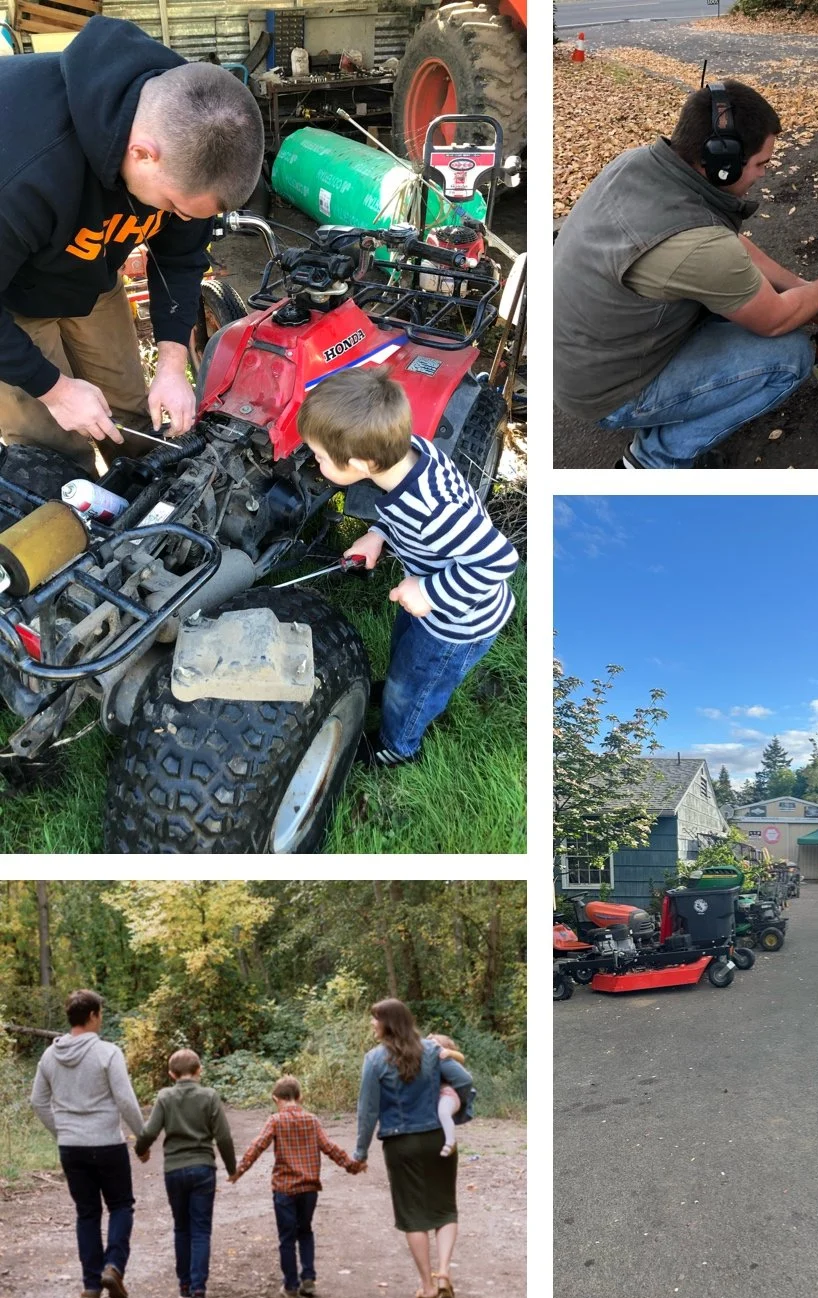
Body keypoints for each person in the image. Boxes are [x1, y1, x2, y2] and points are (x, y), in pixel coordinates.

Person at [0, 15, 264, 475]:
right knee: (54, 441)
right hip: (11, 294)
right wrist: (54, 389)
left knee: (129, 408)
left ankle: (152, 501)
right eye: (174, 207)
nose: (178, 220)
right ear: (142, 153)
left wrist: (171, 364)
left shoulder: (189, 128)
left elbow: (180, 258)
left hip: (92, 275)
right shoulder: (23, 169)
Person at [554, 80, 818, 469]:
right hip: (609, 392)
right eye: (761, 164)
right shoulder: (697, 245)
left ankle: (668, 415)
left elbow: (726, 247)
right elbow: (774, 320)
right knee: (789, 356)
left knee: (750, 295)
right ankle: (654, 460)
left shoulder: (641, 166)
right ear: (721, 163)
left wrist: (802, 289)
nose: (763, 174)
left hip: (582, 356)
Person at [296, 366, 519, 768]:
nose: (316, 463)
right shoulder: (409, 453)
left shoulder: (433, 510)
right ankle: (400, 687)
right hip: (431, 602)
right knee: (404, 653)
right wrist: (378, 534)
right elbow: (399, 513)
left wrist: (428, 592)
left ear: (362, 462)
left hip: (458, 622)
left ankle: (398, 747)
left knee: (416, 685)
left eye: (321, 457)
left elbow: (499, 560)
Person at [353, 999, 476, 1298]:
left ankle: (427, 1286)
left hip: (400, 1144)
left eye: (375, 1019)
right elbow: (464, 1080)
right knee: (445, 1208)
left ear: (388, 1024)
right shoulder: (433, 1050)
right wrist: (456, 1114)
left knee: (413, 1216)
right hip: (437, 1138)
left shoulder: (374, 1060)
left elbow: (368, 1112)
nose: (372, 1024)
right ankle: (445, 1273)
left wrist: (360, 1152)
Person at [29, 989, 145, 1298]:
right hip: (107, 1143)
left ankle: (92, 1285)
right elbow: (125, 1099)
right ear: (92, 1015)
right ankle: (114, 1266)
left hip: (71, 1147)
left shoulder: (49, 1057)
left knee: (87, 1213)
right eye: (100, 1014)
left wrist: (62, 1131)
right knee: (121, 1205)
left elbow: (37, 1101)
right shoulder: (108, 1053)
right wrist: (143, 1137)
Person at [230, 1075, 362, 1298]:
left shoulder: (275, 1120)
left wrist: (238, 1170)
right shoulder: (312, 1120)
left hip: (284, 1189)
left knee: (287, 1237)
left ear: (275, 1099)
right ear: (300, 1097)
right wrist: (351, 1165)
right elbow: (329, 1147)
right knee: (306, 1230)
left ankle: (291, 1284)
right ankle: (308, 1276)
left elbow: (257, 1146)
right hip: (309, 1189)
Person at [133, 1048, 237, 1298]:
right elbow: (223, 1137)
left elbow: (150, 1131)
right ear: (199, 1070)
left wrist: (141, 1150)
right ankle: (199, 1294)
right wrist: (231, 1168)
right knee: (201, 1229)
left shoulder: (165, 1096)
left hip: (174, 1171)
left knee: (182, 1228)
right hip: (203, 1168)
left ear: (171, 1074)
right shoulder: (209, 1096)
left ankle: (184, 1288)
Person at [427, 1033, 474, 1157]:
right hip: (437, 1094)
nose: (430, 1045)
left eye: (434, 1043)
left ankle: (450, 1141)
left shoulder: (445, 1057)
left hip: (448, 1093)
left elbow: (461, 1057)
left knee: (444, 1112)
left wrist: (449, 1052)